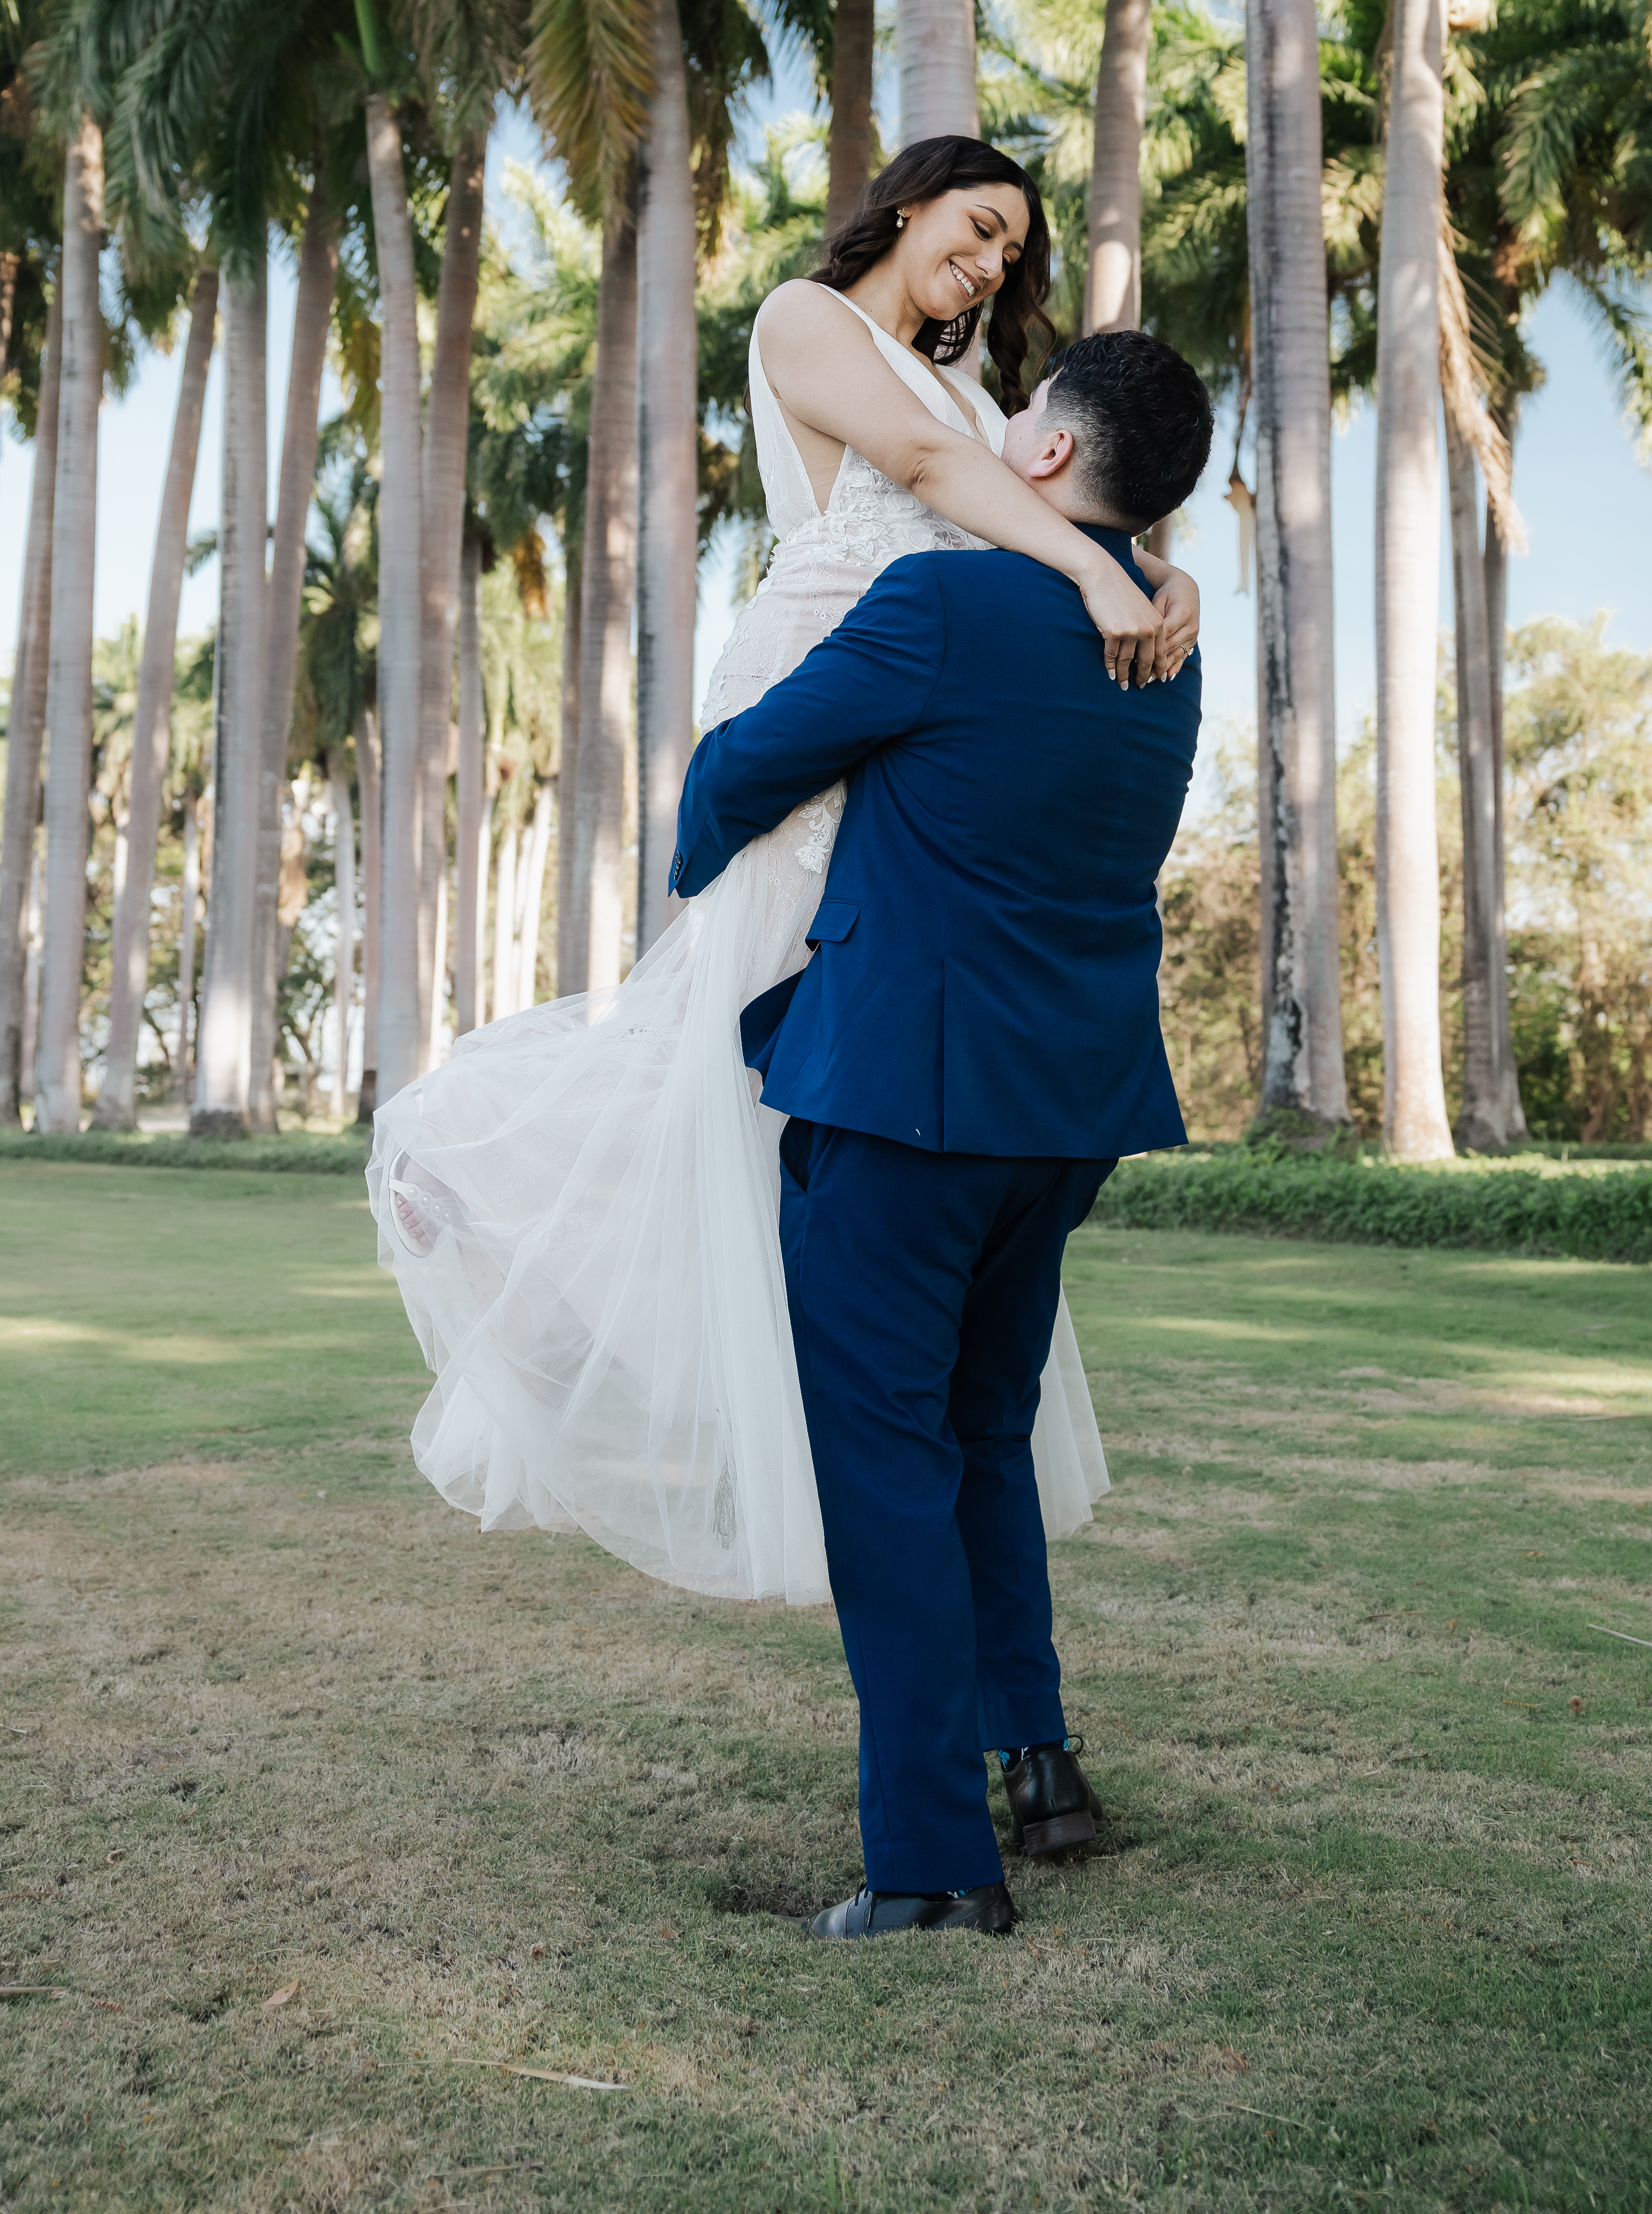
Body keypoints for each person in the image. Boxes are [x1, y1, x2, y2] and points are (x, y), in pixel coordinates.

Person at [366, 138, 1203, 1613]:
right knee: (738, 1039)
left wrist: (1160, 572)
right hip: (822, 711)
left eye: (1017, 252)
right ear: (906, 203)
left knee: (807, 1082)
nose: (998, 263)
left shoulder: (978, 396)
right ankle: (484, 1180)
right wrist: (1096, 577)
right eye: (982, 225)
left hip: (905, 747)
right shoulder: (811, 324)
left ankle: (804, 1369)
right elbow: (949, 480)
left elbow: (1062, 484)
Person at [671, 323, 1213, 1937]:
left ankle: (927, 1862)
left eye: (1013, 420)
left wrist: (709, 873)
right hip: (1070, 1109)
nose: (990, 435)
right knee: (983, 1430)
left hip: (907, 1101)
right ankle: (1037, 1767)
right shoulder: (1168, 645)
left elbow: (738, 773)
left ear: (1043, 458)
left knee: (889, 1461)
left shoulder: (943, 603)